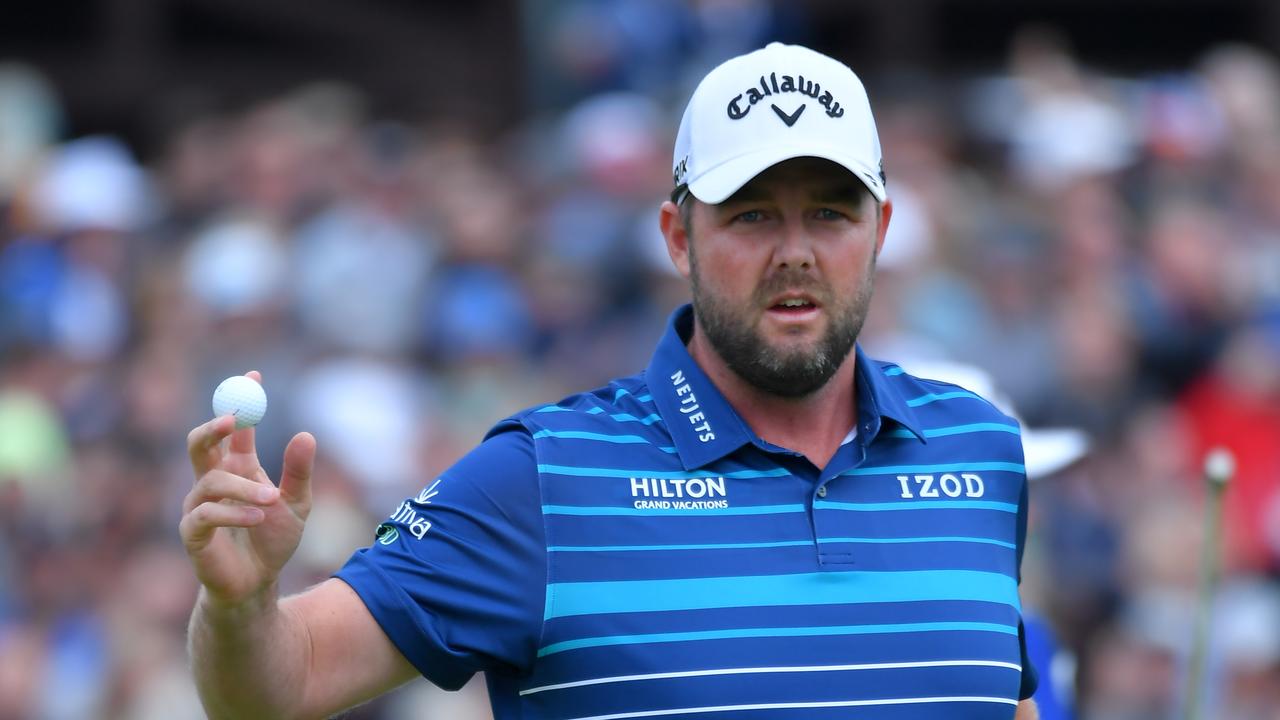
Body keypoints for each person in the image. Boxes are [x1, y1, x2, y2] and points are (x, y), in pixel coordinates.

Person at [182, 42, 1040, 719]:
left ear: (881, 227)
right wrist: (241, 606)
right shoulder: (542, 479)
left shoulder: (983, 448)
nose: (795, 251)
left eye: (829, 210)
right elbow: (278, 686)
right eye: (750, 213)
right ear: (678, 237)